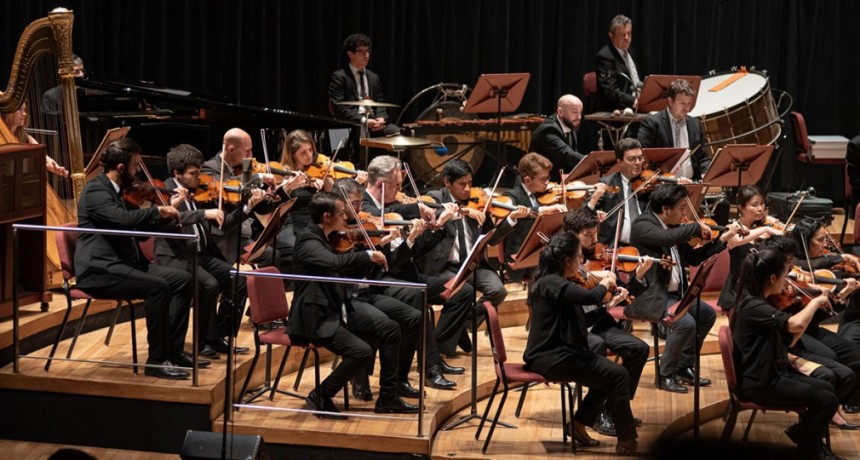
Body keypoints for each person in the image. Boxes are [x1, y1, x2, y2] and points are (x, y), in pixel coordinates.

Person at [287, 191, 418, 416]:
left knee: (390, 328)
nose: (346, 219)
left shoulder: (330, 238)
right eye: (341, 214)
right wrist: (366, 255)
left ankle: (388, 397)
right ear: (327, 217)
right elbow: (334, 262)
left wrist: (375, 248)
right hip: (315, 316)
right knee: (362, 352)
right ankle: (321, 394)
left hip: (336, 308)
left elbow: (349, 270)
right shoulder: (308, 240)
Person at [74, 138, 193, 379]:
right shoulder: (96, 191)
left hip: (122, 264)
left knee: (183, 279)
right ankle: (156, 361)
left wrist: (167, 212)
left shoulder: (117, 192)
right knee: (158, 287)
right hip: (99, 270)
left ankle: (173, 350)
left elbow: (138, 229)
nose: (137, 171)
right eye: (135, 166)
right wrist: (158, 210)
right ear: (121, 168)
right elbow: (124, 221)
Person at [523, 231, 641, 455]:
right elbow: (591, 296)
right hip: (550, 356)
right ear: (567, 260)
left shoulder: (557, 282)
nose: (582, 261)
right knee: (618, 375)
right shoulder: (552, 283)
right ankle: (626, 441)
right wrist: (606, 283)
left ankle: (577, 425)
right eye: (579, 257)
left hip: (559, 352)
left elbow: (582, 319)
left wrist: (609, 305)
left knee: (610, 376)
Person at [361, 155, 476, 366]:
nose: (400, 192)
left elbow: (416, 251)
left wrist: (438, 225)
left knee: (462, 290)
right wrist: (416, 209)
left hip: (406, 274)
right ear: (381, 185)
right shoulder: (365, 206)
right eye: (397, 186)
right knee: (417, 295)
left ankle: (440, 352)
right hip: (382, 281)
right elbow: (384, 216)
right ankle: (431, 366)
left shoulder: (393, 204)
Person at [729, 247, 843, 460]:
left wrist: (807, 308)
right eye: (784, 276)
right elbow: (793, 324)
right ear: (772, 278)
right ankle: (809, 448)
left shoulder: (756, 300)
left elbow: (790, 335)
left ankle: (804, 436)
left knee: (828, 388)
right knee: (827, 400)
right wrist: (817, 301)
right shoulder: (753, 306)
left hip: (772, 372)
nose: (786, 282)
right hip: (759, 382)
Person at [629, 184, 738, 393]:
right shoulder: (643, 224)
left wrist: (722, 239)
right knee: (685, 324)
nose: (685, 213)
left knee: (706, 315)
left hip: (677, 294)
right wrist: (697, 227)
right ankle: (665, 374)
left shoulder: (674, 227)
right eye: (681, 208)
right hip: (652, 295)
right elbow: (666, 238)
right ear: (665, 209)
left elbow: (694, 257)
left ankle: (683, 366)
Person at [153, 144, 248, 360]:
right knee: (209, 285)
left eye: (200, 172)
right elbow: (169, 219)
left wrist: (246, 207)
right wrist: (203, 213)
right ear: (177, 173)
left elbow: (221, 225)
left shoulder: (198, 191)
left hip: (202, 255)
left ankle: (218, 336)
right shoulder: (164, 192)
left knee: (239, 280)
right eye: (193, 174)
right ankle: (203, 341)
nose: (199, 178)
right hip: (177, 258)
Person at [562, 207, 650, 437]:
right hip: (575, 329)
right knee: (598, 350)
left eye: (596, 233)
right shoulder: (561, 262)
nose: (596, 240)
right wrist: (606, 301)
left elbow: (623, 295)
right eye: (589, 235)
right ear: (572, 235)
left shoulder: (594, 260)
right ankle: (595, 413)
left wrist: (636, 279)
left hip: (598, 323)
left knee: (639, 349)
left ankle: (615, 407)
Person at [421, 159, 530, 308]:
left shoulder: (478, 202)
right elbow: (431, 209)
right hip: (445, 267)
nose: (467, 189)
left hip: (474, 266)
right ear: (447, 182)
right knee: (463, 293)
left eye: (470, 183)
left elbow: (492, 239)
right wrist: (464, 211)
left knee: (498, 291)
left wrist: (511, 218)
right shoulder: (436, 197)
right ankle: (458, 326)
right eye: (462, 184)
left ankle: (463, 325)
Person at [790, 218, 860, 416]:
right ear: (805, 240)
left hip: (811, 329)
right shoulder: (791, 267)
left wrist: (843, 295)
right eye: (820, 240)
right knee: (831, 358)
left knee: (856, 355)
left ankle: (842, 403)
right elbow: (800, 264)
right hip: (794, 333)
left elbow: (820, 317)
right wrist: (839, 258)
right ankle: (823, 409)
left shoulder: (820, 272)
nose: (825, 245)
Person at [200, 128, 280, 267]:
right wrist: (259, 177)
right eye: (247, 151)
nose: (251, 155)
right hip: (225, 236)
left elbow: (262, 208)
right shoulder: (209, 169)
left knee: (279, 252)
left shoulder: (245, 166)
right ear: (231, 149)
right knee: (269, 257)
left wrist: (284, 189)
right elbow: (229, 185)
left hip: (245, 233)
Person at [501, 152, 568, 280]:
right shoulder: (512, 196)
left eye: (548, 177)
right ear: (527, 180)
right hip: (520, 258)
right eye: (543, 179)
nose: (547, 183)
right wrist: (543, 210)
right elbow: (520, 212)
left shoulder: (542, 194)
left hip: (541, 254)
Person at [716, 186, 783, 309]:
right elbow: (737, 241)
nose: (760, 209)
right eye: (754, 205)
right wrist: (765, 229)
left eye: (762, 204)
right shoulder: (732, 228)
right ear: (741, 208)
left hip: (761, 288)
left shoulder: (764, 224)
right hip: (738, 290)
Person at [636, 79, 710, 181]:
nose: (687, 108)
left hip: (691, 182)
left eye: (689, 103)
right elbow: (641, 156)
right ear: (670, 101)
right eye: (682, 103)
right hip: (663, 184)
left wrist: (706, 172)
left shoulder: (695, 124)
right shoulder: (652, 123)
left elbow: (703, 157)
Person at [328, 33, 400, 137]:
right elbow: (339, 107)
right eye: (361, 52)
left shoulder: (373, 77)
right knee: (361, 131)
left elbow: (379, 102)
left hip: (373, 120)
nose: (366, 55)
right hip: (353, 122)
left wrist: (382, 118)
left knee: (398, 133)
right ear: (350, 54)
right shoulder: (340, 76)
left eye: (367, 51)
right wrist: (363, 120)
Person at [588, 138, 649, 246]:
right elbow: (585, 213)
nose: (638, 163)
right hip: (615, 247)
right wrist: (595, 211)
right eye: (632, 159)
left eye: (640, 158)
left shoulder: (648, 183)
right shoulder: (607, 184)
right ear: (619, 162)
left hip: (646, 247)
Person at [1, 102, 68, 176]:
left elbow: (44, 158)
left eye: (25, 110)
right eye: (19, 110)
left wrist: (56, 168)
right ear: (8, 112)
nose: (24, 114)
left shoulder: (25, 138)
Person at [528, 94, 586, 180]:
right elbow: (567, 154)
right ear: (560, 112)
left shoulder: (570, 124)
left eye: (580, 112)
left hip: (557, 182)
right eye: (574, 112)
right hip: (538, 182)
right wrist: (592, 162)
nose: (579, 117)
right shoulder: (548, 130)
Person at [594, 15, 641, 113]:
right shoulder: (604, 57)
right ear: (611, 36)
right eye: (622, 35)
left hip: (636, 106)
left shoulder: (631, 51)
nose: (627, 38)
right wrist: (634, 101)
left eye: (629, 33)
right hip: (616, 110)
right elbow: (611, 91)